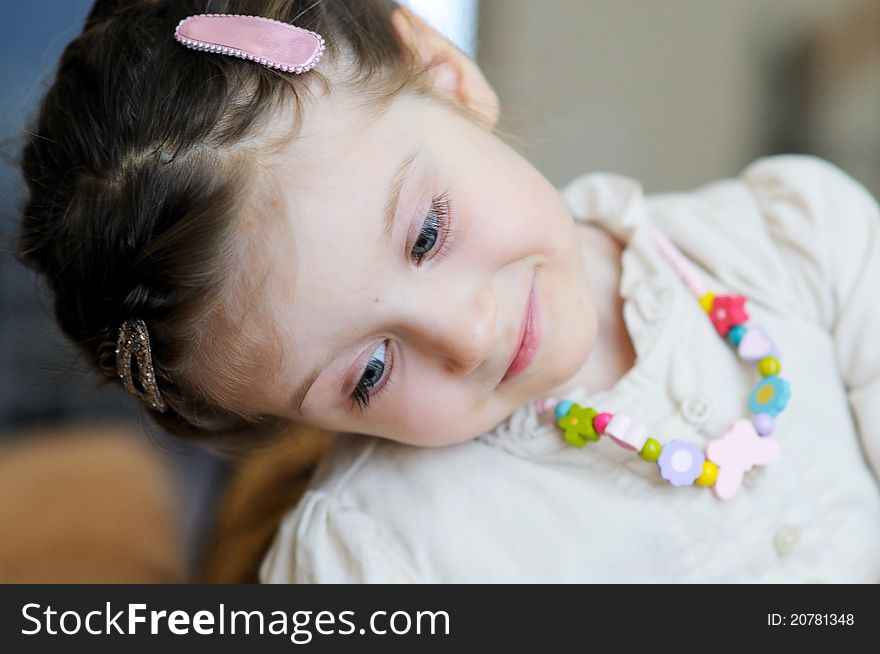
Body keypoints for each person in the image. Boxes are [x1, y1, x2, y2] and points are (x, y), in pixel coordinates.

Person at [16, 0, 880, 583]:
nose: (466, 337)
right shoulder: (373, 562)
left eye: (427, 233)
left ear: (447, 77)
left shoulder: (795, 235)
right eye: (369, 373)